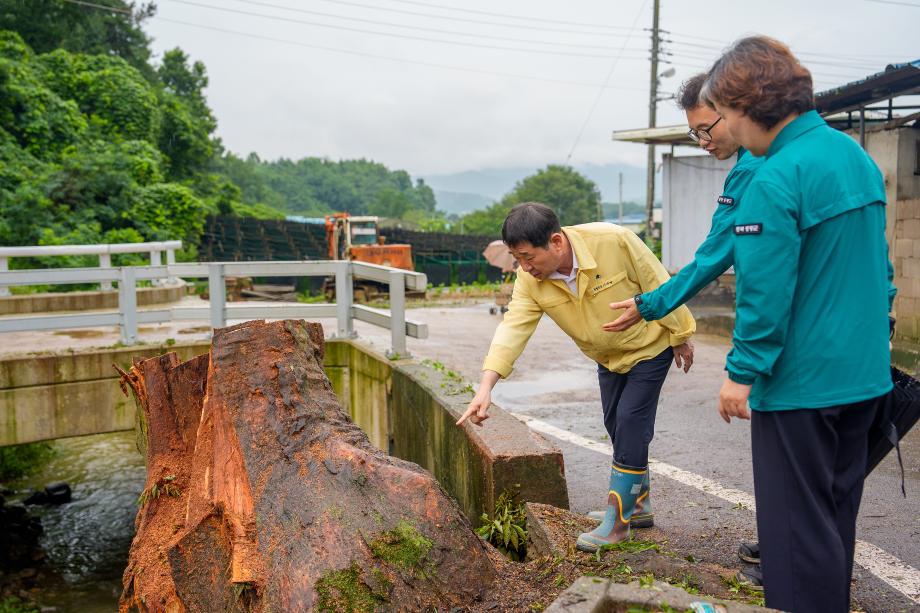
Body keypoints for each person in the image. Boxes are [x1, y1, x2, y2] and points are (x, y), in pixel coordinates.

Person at [701, 36, 895, 613]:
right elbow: (881, 268)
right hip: (863, 381)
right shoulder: (852, 155)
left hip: (801, 388)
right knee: (833, 519)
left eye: (725, 115)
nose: (728, 130)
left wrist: (741, 371)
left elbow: (764, 292)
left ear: (744, 107)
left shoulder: (774, 175)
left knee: (792, 533)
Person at [455, 203, 695, 552]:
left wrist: (681, 334)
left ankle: (616, 523)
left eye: (527, 257)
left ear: (555, 241)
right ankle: (638, 505)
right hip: (606, 356)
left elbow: (656, 281)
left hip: (648, 346)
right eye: (516, 258)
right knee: (615, 423)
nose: (524, 267)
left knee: (630, 421)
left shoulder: (613, 240)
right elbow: (513, 328)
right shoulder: (530, 280)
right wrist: (485, 386)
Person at [602, 73, 766, 585]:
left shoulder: (763, 169)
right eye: (694, 133)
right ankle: (787, 541)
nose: (703, 140)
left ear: (734, 110)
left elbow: (717, 259)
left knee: (792, 443)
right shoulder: (793, 159)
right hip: (835, 332)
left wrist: (654, 307)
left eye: (703, 128)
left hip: (794, 339)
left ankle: (793, 556)